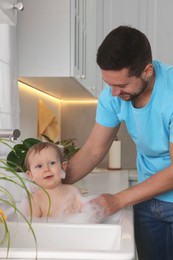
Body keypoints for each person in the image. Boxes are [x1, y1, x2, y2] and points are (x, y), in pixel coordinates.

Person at [64, 25, 173, 259]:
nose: (113, 93)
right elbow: (94, 149)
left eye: (122, 85)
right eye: (109, 83)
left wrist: (118, 199)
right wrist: (52, 182)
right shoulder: (112, 97)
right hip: (146, 199)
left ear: (147, 71)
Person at [24, 142, 83, 219]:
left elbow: (86, 214)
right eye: (39, 166)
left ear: (63, 167)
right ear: (30, 175)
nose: (46, 169)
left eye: (52, 163)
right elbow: (31, 227)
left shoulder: (73, 191)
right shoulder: (36, 199)